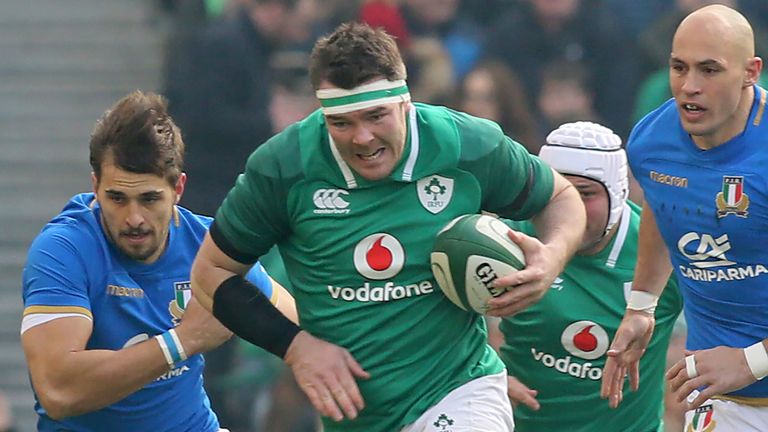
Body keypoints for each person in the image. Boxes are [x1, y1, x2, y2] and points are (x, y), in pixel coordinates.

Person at [190, 21, 586, 432]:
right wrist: (295, 347)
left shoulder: (466, 145)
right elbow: (211, 272)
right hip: (354, 417)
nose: (362, 137)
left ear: (405, 102)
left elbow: (560, 197)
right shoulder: (283, 167)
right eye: (341, 122)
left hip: (459, 389)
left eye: (376, 116)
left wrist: (553, 257)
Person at [20, 91, 295, 432]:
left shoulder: (208, 245)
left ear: (178, 188)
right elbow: (58, 392)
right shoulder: (64, 250)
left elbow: (300, 325)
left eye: (149, 199)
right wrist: (183, 340)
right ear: (95, 186)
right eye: (117, 198)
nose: (133, 218)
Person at [601, 5, 768, 431]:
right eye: (679, 67)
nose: (689, 87)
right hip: (720, 398)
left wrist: (752, 360)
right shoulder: (650, 143)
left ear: (751, 72)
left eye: (710, 70)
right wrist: (641, 306)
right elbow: (663, 208)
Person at [491, 121, 682, 431]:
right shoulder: (508, 239)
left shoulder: (658, 250)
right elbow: (441, 314)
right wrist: (484, 374)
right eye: (558, 192)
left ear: (618, 195)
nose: (572, 209)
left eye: (585, 193)